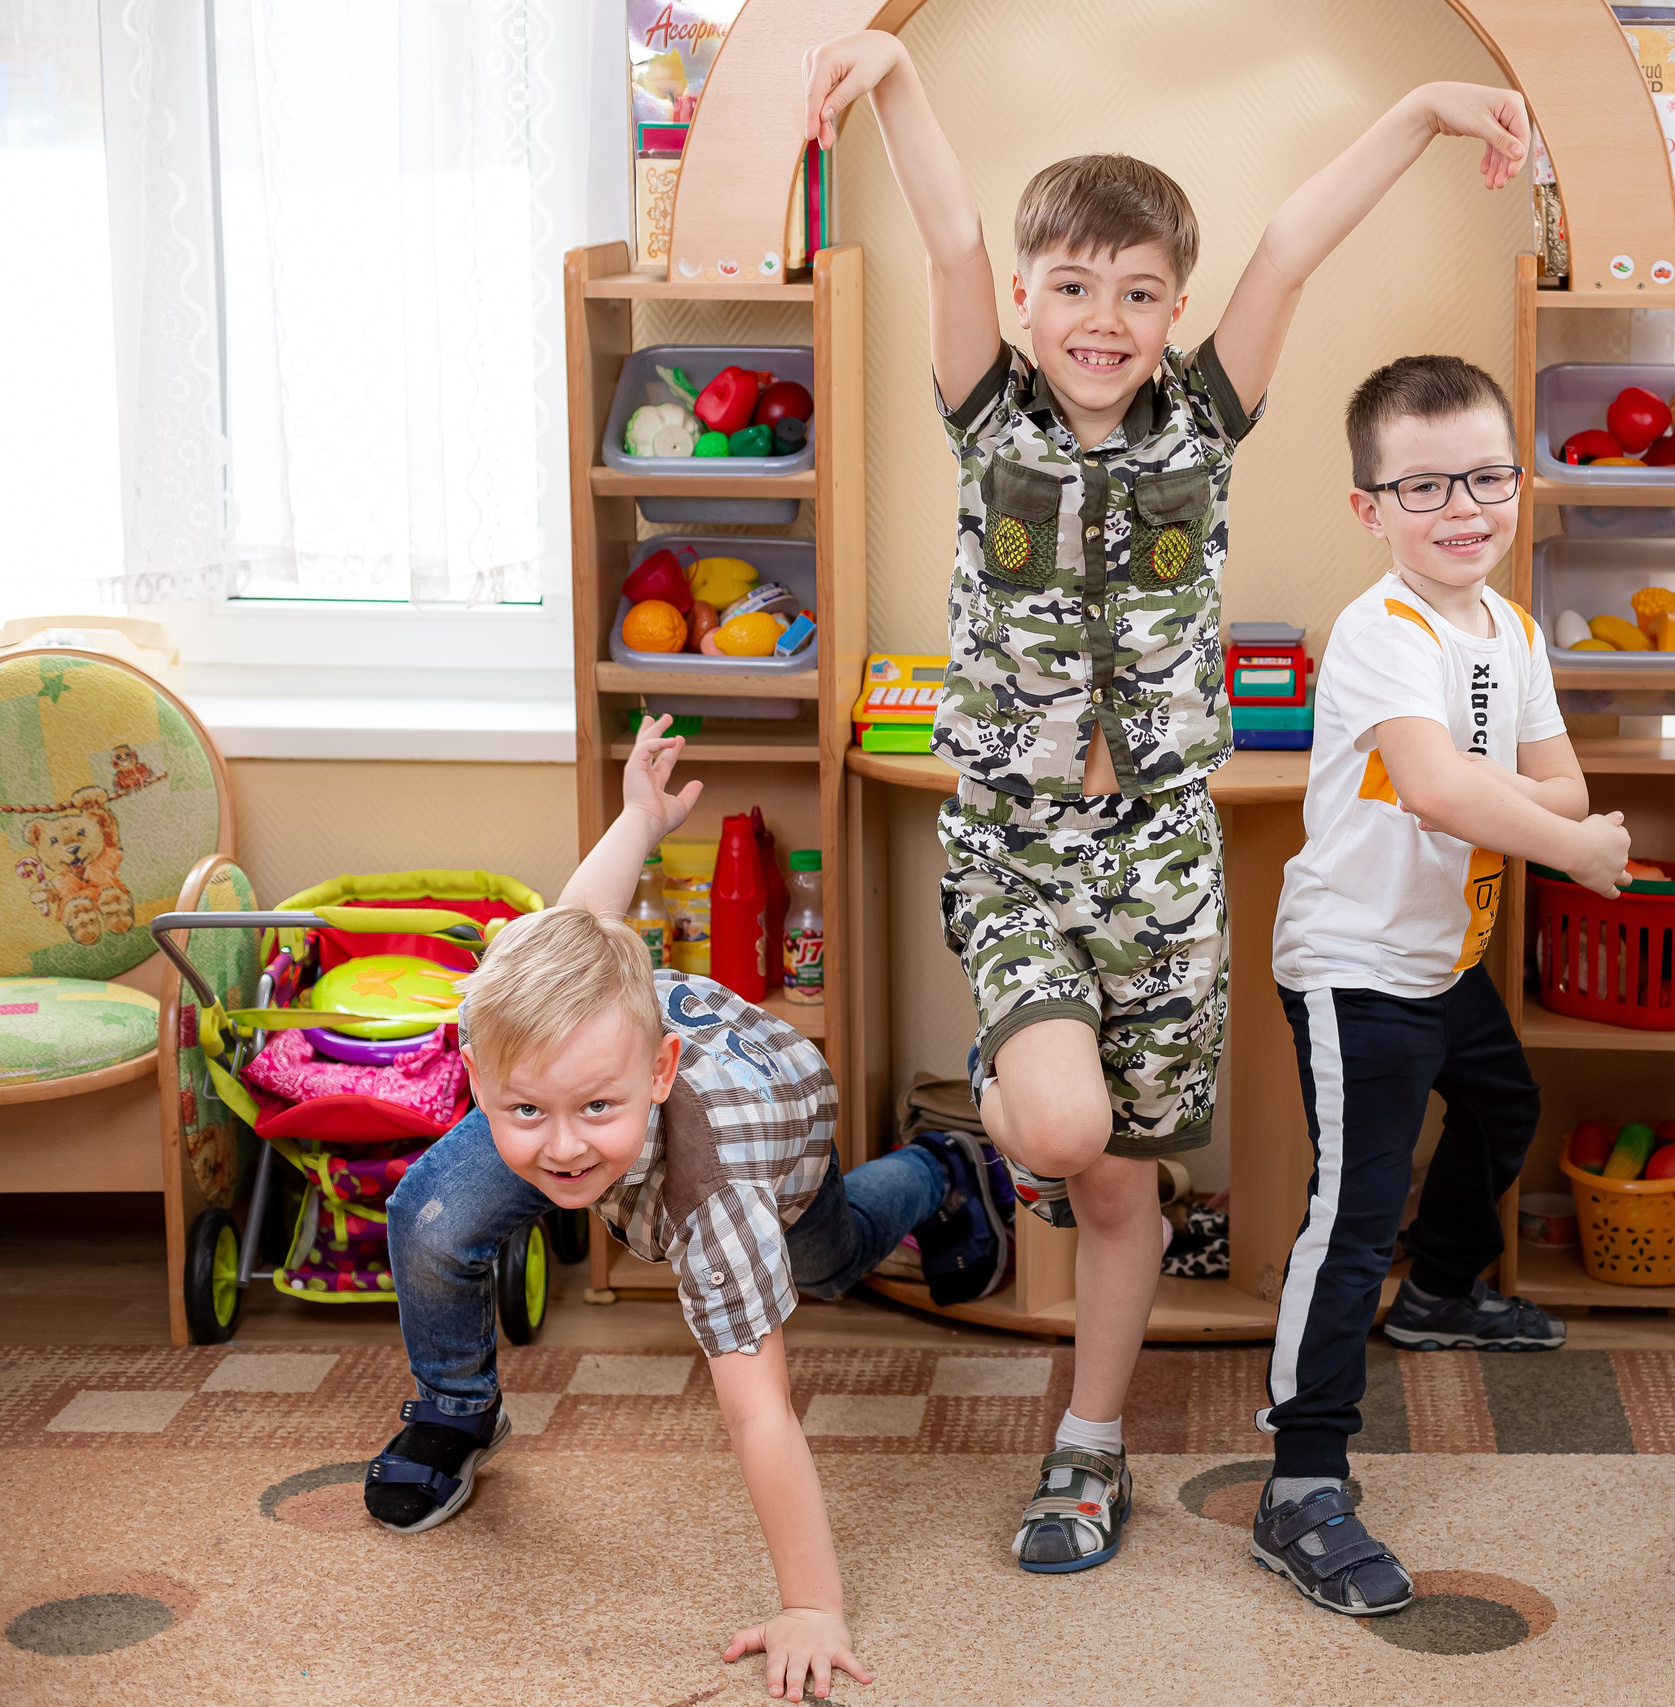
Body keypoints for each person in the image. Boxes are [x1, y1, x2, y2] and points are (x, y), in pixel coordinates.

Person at [800, 31, 1534, 1576]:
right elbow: (941, 225)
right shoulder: (981, 416)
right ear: (1025, 301)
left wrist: (1414, 104)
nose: (1103, 318)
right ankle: (960, 1155)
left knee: (1129, 1181)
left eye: (1138, 291)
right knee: (1063, 1126)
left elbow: (1289, 244)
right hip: (1016, 842)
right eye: (1071, 285)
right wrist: (889, 77)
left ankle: (1088, 1445)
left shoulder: (1205, 419)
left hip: (1163, 862)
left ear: (1174, 312)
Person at [364, 716, 1011, 1703]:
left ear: (657, 1071)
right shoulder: (527, 1040)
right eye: (523, 1109)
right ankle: (456, 1411)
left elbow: (758, 1415)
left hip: (776, 1133)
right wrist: (639, 821)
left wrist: (812, 1605)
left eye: (594, 1112)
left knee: (828, 1264)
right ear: (476, 1070)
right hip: (604, 1052)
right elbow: (580, 919)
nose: (563, 1146)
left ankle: (938, 1166)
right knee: (434, 1213)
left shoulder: (722, 1196)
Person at [1253, 356, 1631, 1615]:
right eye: (1423, 486)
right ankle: (1300, 1482)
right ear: (1369, 506)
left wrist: (1519, 807)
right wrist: (1563, 842)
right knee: (1349, 1219)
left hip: (1445, 962)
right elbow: (1438, 788)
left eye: (1484, 475)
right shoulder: (1379, 634)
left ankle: (1444, 1296)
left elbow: (1552, 781)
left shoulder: (1508, 631)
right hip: (1354, 971)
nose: (1461, 506)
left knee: (1504, 1108)